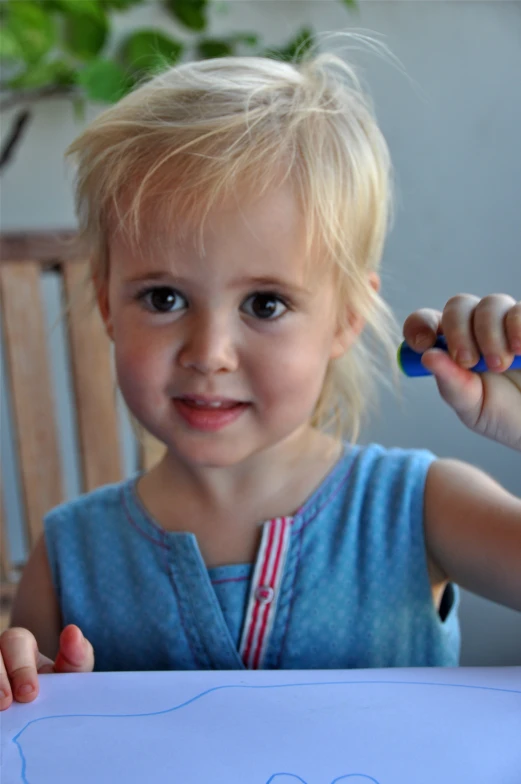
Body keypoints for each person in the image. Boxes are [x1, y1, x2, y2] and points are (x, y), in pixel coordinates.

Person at [1, 52, 520, 711]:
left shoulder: (421, 508)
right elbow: (35, 737)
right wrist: (34, 702)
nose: (209, 353)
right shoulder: (67, 558)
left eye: (265, 304)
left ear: (346, 318)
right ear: (106, 303)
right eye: (162, 298)